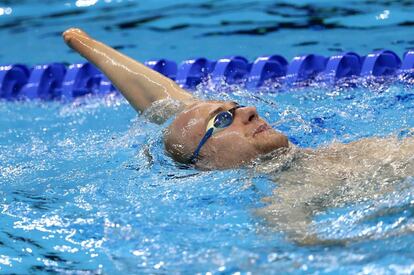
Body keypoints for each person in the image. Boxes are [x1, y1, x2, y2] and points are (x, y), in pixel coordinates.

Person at [63, 28, 414, 244]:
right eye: (224, 119)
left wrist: (87, 45)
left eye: (238, 108)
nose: (249, 112)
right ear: (205, 163)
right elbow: (311, 249)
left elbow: (167, 102)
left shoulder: (311, 158)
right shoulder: (286, 200)